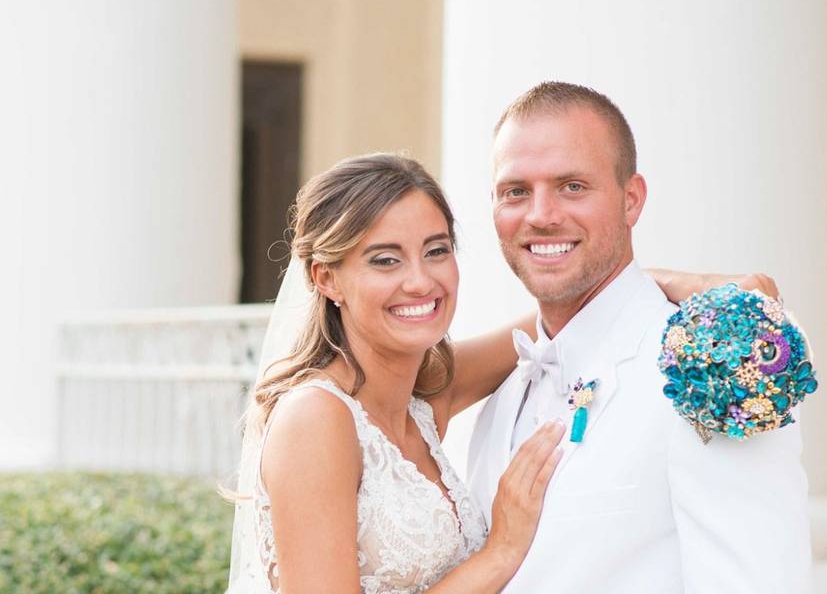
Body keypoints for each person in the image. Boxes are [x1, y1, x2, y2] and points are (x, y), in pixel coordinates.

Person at [226, 153, 783, 593]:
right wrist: (502, 552)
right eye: (385, 260)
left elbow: (567, 316)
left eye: (436, 250)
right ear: (326, 279)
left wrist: (671, 284)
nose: (420, 282)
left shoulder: (422, 393)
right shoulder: (317, 418)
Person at [467, 81, 812, 593]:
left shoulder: (710, 366)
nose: (540, 215)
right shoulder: (505, 391)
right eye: (516, 191)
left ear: (632, 200)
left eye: (572, 186)